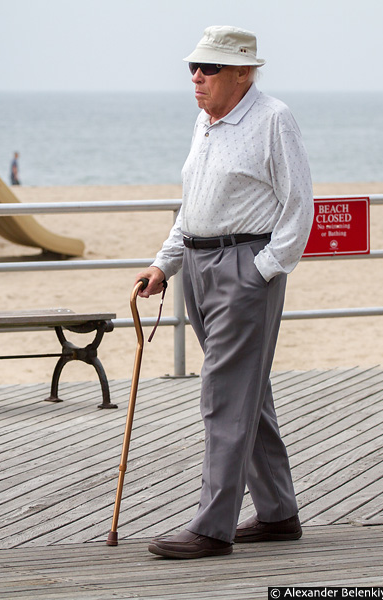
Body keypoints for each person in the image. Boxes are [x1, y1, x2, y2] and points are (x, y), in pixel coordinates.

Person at [135, 25, 314, 559]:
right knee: (246, 395)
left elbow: (298, 207)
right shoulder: (205, 122)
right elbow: (192, 207)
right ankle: (279, 514)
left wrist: (260, 271)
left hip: (243, 268)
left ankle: (214, 527)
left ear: (243, 72)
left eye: (209, 68)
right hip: (197, 265)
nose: (197, 76)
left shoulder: (273, 119)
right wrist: (163, 265)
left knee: (222, 396)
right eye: (193, 67)